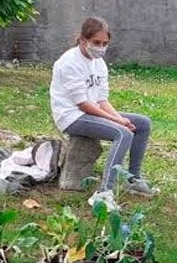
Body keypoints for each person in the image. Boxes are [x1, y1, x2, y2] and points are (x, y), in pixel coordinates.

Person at [49, 17, 156, 210]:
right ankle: (104, 192)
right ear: (83, 39)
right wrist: (118, 122)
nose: (100, 47)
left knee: (143, 123)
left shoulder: (99, 63)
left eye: (105, 43)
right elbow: (83, 105)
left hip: (91, 112)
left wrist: (120, 118)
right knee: (122, 134)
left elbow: (101, 100)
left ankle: (132, 179)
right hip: (72, 116)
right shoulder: (69, 62)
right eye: (96, 43)